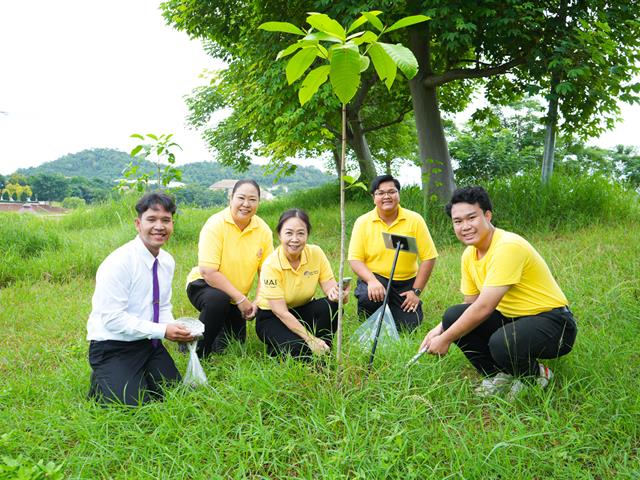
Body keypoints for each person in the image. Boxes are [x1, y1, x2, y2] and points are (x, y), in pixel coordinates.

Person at [419, 186, 577, 396]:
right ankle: (499, 374)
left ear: (487, 215)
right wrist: (440, 328)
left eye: (471, 218)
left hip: (554, 324)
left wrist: (445, 338)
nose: (465, 226)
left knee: (502, 342)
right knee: (452, 315)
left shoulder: (507, 246)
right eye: (458, 221)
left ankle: (535, 375)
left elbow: (483, 308)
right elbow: (470, 303)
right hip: (514, 319)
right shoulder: (469, 254)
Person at [87, 192, 194, 406]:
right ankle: (103, 380)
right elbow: (112, 319)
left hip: (147, 342)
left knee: (173, 393)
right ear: (138, 224)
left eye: (166, 220)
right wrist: (163, 331)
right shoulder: (119, 262)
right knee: (132, 406)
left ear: (172, 224)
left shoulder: (167, 261)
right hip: (112, 345)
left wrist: (174, 327)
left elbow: (162, 305)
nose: (159, 226)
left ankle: (133, 374)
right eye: (151, 220)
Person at [186, 179, 273, 358]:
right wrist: (241, 299)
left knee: (232, 344)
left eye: (252, 199)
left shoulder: (263, 230)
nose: (246, 204)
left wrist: (256, 301)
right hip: (204, 286)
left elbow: (267, 272)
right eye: (241, 198)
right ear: (230, 198)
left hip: (235, 297)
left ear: (258, 202)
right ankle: (197, 354)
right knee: (218, 301)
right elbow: (208, 272)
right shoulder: (215, 224)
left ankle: (189, 335)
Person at [348, 174, 438, 332]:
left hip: (405, 283)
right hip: (376, 279)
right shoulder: (362, 222)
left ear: (398, 194)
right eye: (380, 193)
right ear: (373, 197)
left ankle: (395, 308)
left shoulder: (414, 220)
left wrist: (416, 291)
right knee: (370, 304)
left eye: (392, 191)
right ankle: (372, 311)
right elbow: (355, 259)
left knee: (409, 325)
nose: (386, 196)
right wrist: (371, 281)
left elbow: (429, 257)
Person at [255, 209, 349, 358]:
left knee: (331, 306)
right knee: (301, 349)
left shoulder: (315, 253)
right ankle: (278, 348)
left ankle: (324, 348)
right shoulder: (271, 265)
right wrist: (309, 339)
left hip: (301, 310)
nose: (295, 239)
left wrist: (340, 295)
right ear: (279, 235)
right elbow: (281, 312)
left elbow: (330, 289)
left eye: (300, 233)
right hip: (272, 317)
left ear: (307, 235)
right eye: (289, 233)